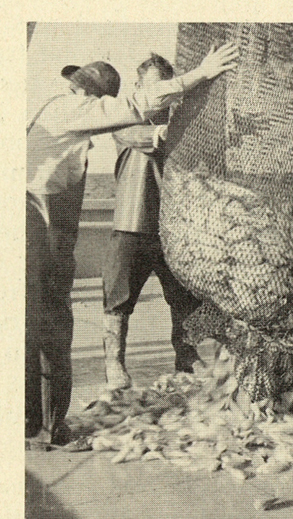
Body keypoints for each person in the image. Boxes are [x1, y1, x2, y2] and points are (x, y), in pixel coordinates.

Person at [26, 42, 238, 446]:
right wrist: (200, 80)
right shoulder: (95, 116)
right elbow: (146, 125)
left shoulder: (70, 115)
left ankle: (43, 425)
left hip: (146, 229)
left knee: (185, 300)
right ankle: (81, 396)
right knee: (89, 312)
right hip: (93, 225)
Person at [102, 54, 201, 390]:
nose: (161, 93)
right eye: (153, 86)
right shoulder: (123, 121)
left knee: (186, 300)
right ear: (139, 88)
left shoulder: (181, 124)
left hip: (173, 230)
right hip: (132, 223)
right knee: (118, 301)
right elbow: (150, 135)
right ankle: (115, 365)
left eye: (166, 86)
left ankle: (188, 365)